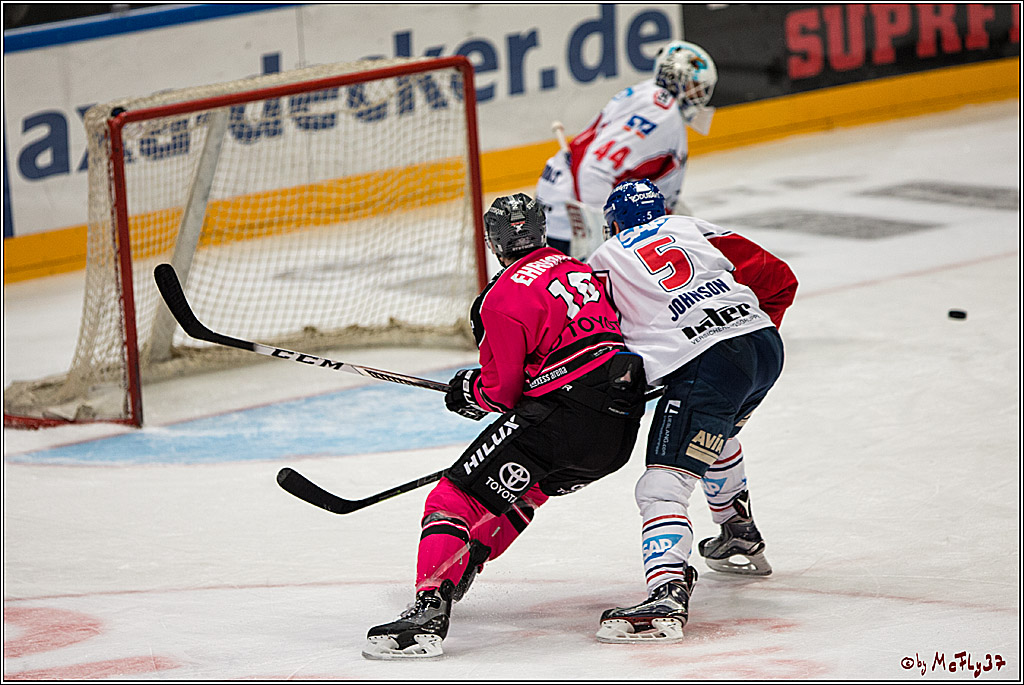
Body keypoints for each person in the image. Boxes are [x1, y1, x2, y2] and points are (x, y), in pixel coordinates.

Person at [363, 193, 649, 659]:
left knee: (452, 497)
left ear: (494, 241)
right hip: (619, 428)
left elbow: (500, 394)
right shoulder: (583, 270)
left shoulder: (499, 299)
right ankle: (469, 556)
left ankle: (427, 612)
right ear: (541, 231)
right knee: (528, 487)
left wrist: (467, 391)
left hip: (563, 417)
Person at [585, 179, 798, 643]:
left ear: (613, 224)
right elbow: (780, 279)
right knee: (715, 434)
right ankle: (736, 528)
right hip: (763, 348)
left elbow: (594, 335)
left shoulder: (601, 261)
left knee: (662, 485)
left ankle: (666, 594)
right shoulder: (692, 227)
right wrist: (737, 339)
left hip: (709, 367)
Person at [535, 40, 717, 258]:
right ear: (673, 77)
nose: (698, 97)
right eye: (694, 87)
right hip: (568, 220)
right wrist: (603, 235)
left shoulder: (649, 95)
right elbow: (594, 170)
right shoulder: (661, 114)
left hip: (558, 200)